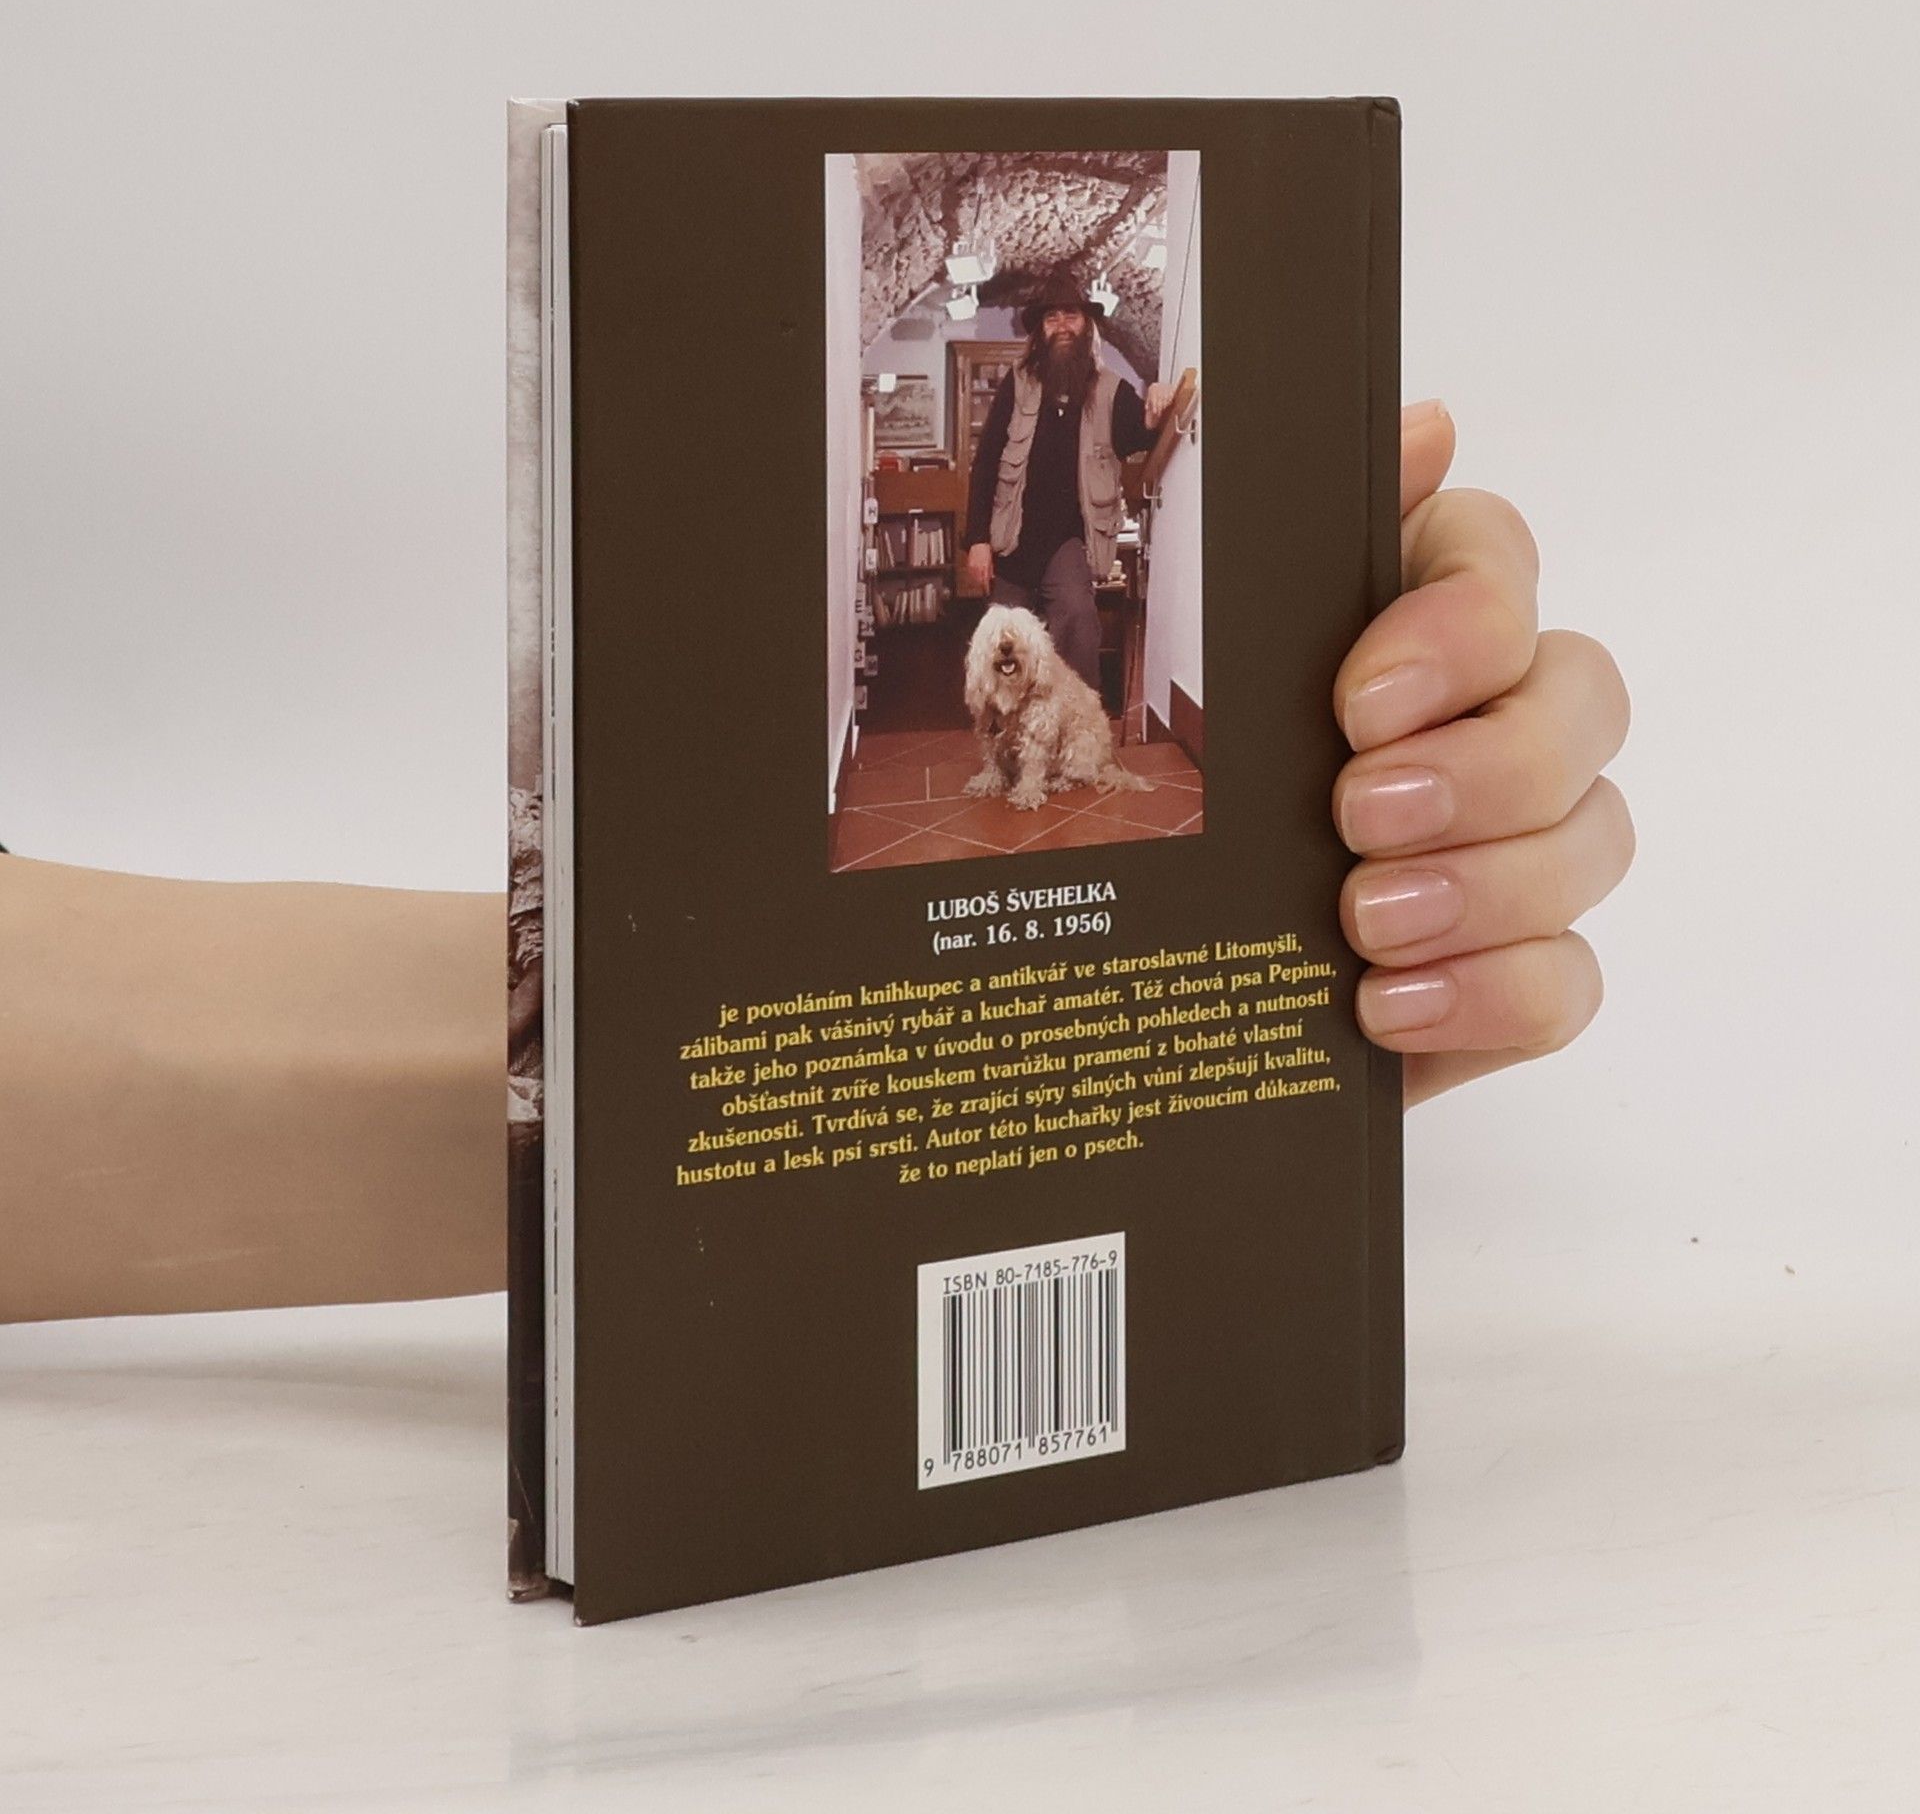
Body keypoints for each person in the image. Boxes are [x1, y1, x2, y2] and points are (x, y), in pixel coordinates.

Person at [0, 402, 1631, 1322]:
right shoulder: (1011, 427)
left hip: (1074, 597)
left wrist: (1052, 1038)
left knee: (1075, 720)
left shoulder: (1107, 432)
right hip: (1021, 570)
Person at [962, 274, 1175, 692]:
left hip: (1069, 541)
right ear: (1041, 330)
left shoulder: (1112, 389)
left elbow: (1141, 432)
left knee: (1078, 618)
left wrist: (1159, 396)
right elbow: (985, 461)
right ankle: (1006, 727)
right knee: (1002, 644)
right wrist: (978, 540)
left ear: (1086, 324)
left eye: (1070, 315)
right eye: (1052, 318)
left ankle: (1079, 722)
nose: (1062, 325)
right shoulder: (1017, 383)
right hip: (1012, 538)